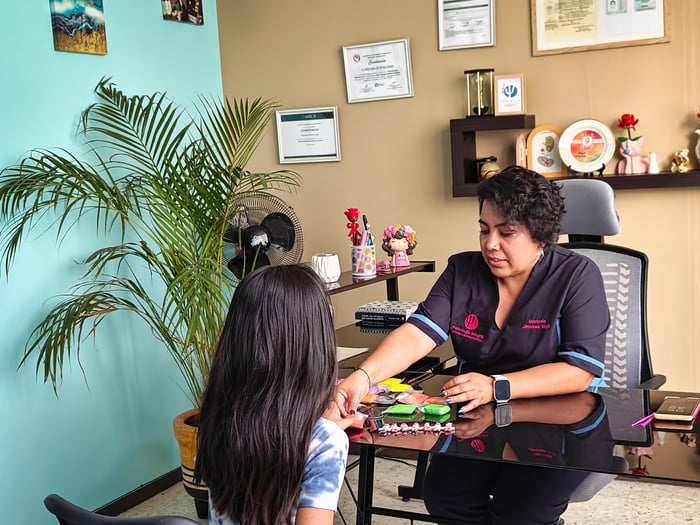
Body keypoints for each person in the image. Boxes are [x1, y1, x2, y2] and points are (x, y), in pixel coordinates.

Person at [336, 166, 610, 524]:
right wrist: (362, 376)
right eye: (484, 230)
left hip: (558, 424)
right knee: (445, 500)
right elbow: (419, 332)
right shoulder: (462, 271)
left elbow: (580, 370)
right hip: (477, 420)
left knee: (520, 510)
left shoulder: (576, 276)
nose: (490, 244)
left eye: (506, 232)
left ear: (541, 236)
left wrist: (496, 386)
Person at [195, 265, 362, 525]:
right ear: (316, 346)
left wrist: (317, 426)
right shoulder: (327, 443)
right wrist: (322, 435)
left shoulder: (218, 417)